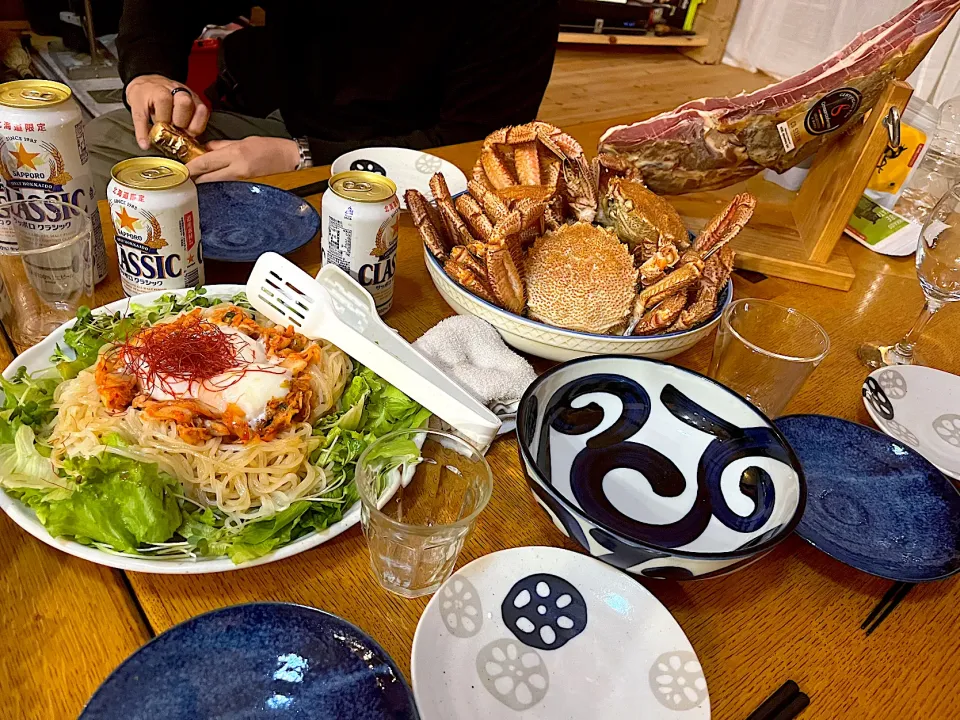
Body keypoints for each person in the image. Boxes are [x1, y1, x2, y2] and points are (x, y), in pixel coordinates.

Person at [87, 1, 560, 198]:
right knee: (103, 141)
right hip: (280, 118)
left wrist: (304, 157)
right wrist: (149, 72)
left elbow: (475, 150)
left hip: (403, 161)